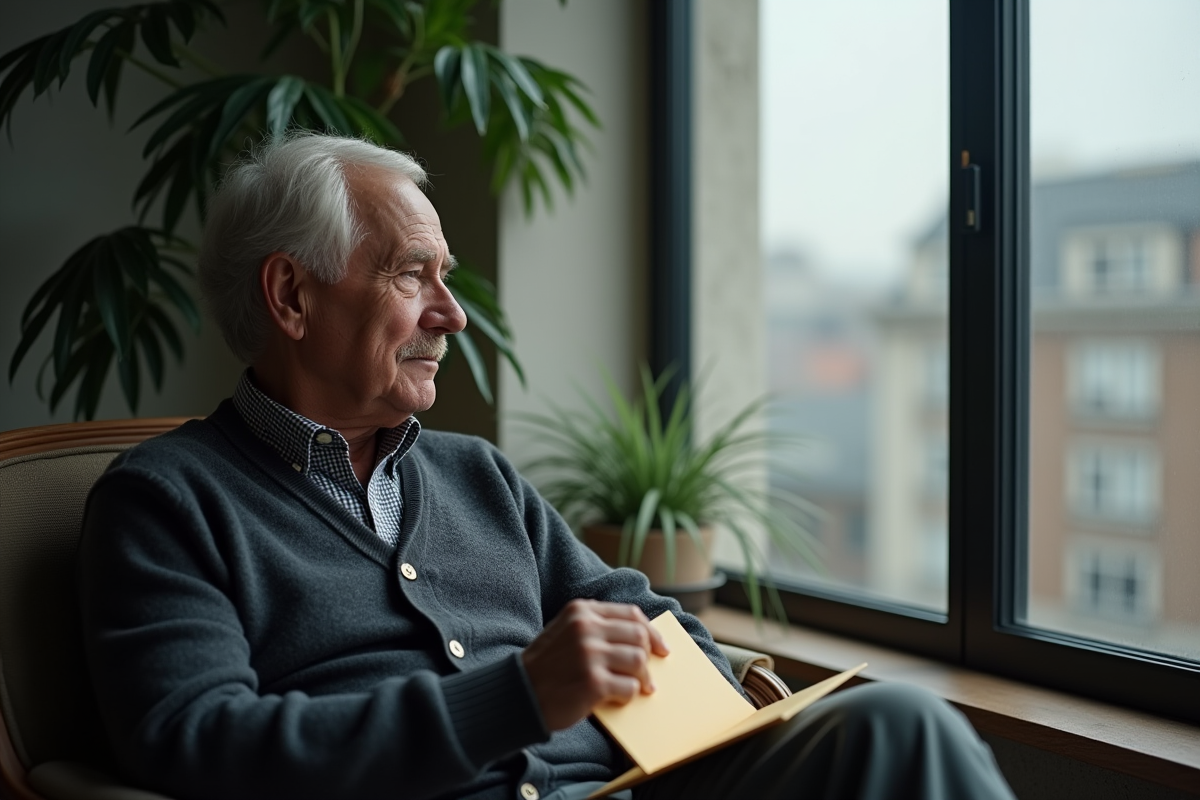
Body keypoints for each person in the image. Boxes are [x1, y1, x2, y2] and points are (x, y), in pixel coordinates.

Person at [78, 133, 1015, 800]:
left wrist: (715, 701)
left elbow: (640, 616)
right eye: (413, 276)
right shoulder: (165, 502)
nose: (454, 315)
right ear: (290, 295)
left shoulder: (477, 477)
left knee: (900, 723)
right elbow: (194, 740)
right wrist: (517, 697)